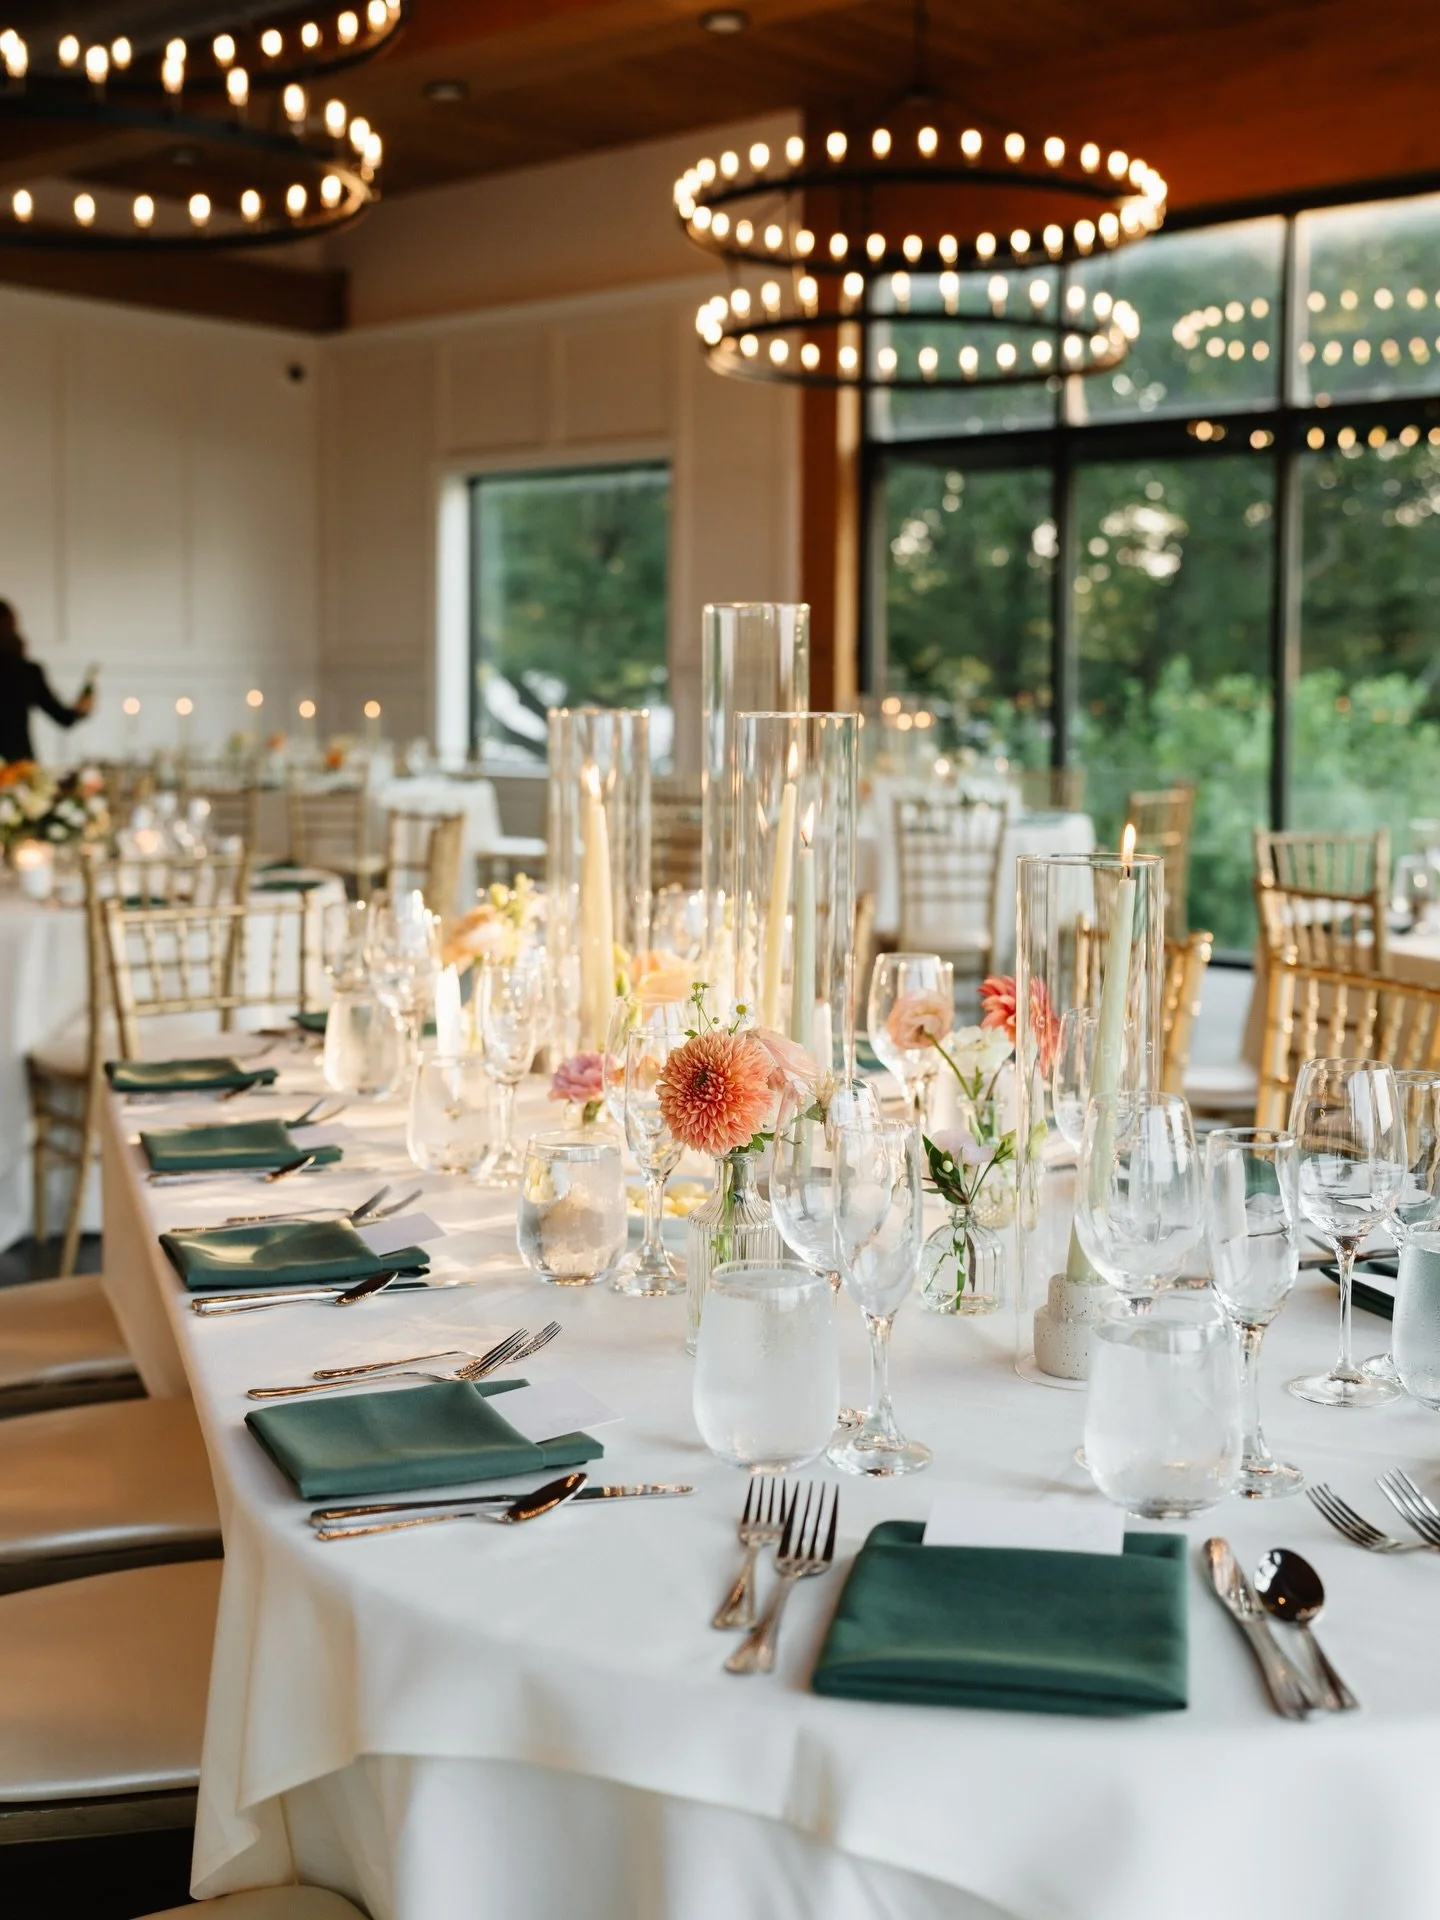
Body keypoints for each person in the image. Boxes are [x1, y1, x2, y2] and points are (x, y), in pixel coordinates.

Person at [0, 602, 93, 764]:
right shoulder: (28, 672)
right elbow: (64, 718)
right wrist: (81, 709)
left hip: (17, 770)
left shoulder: (29, 672)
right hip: (19, 766)